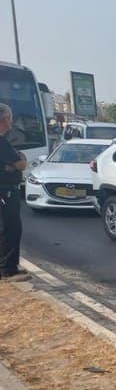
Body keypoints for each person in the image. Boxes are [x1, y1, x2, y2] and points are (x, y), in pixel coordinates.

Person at [0, 104, 28, 281]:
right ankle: (8, 269)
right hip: (5, 191)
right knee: (10, 229)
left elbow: (14, 164)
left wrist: (12, 164)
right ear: (3, 120)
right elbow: (21, 164)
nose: (11, 122)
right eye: (9, 118)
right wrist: (17, 161)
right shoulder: (2, 142)